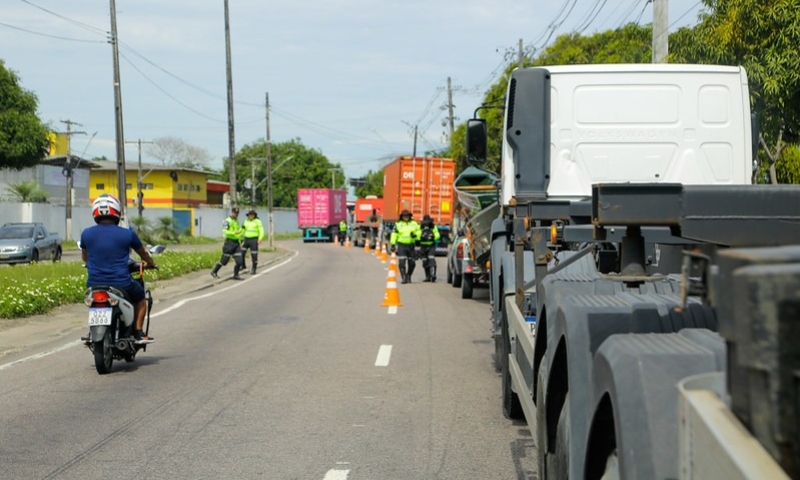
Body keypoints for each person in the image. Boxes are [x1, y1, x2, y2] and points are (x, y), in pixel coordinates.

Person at [80, 193, 156, 344]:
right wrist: (150, 264)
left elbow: (85, 258)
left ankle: (92, 330)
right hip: (121, 283)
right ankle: (139, 332)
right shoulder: (127, 234)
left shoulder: (86, 233)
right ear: (116, 212)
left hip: (94, 284)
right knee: (141, 296)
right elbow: (143, 254)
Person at [210, 206, 245, 280]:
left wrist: (240, 242)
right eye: (235, 213)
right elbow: (225, 231)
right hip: (229, 242)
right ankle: (214, 271)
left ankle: (236, 275)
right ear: (232, 212)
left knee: (239, 260)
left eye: (237, 213)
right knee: (224, 260)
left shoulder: (237, 221)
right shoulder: (227, 221)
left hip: (236, 243)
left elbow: (238, 233)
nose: (236, 214)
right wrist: (234, 233)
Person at [390, 209, 421, 284]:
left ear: (410, 216)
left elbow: (419, 231)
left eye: (407, 215)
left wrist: (416, 235)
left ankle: (408, 275)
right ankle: (403, 277)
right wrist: (393, 244)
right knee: (402, 262)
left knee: (412, 263)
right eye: (404, 216)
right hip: (402, 245)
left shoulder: (414, 223)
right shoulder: (398, 224)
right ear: (401, 216)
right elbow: (394, 234)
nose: (406, 217)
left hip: (411, 245)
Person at [418, 214, 441, 282]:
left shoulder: (433, 227)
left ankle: (433, 275)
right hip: (423, 246)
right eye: (425, 222)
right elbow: (418, 234)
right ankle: (427, 276)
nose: (426, 223)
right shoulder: (421, 227)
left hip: (431, 246)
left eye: (428, 222)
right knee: (425, 261)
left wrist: (433, 237)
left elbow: (437, 234)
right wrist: (418, 236)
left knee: (431, 259)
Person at [241, 209, 265, 274]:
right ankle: (243, 266)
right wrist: (239, 236)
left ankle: (254, 269)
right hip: (246, 239)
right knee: (242, 253)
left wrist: (260, 238)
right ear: (248, 215)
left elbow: (261, 230)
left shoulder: (258, 221)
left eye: (252, 215)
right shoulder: (245, 221)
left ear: (254, 215)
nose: (251, 216)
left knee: (254, 255)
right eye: (250, 215)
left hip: (254, 239)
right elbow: (242, 230)